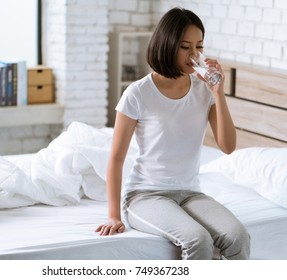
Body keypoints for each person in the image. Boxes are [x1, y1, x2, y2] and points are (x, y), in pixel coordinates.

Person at [96, 7, 250, 260]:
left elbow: (228, 146)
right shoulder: (138, 93)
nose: (194, 55)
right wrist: (113, 215)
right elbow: (115, 159)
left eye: (199, 47)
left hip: (190, 193)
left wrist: (218, 93)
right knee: (197, 240)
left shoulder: (204, 91)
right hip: (145, 196)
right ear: (167, 45)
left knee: (238, 237)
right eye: (185, 47)